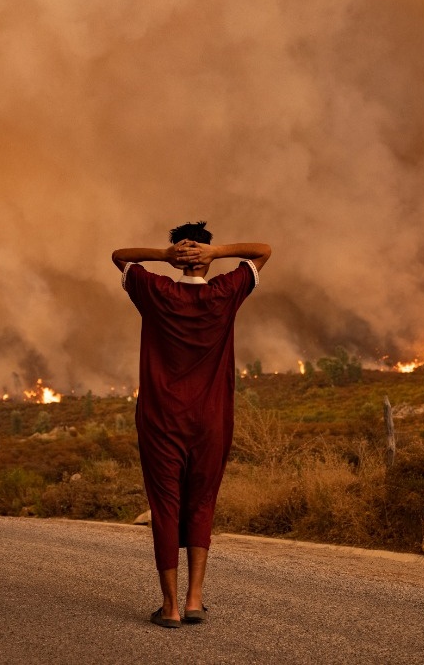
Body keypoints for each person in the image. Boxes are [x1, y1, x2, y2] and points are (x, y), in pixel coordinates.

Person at [111, 222, 271, 629]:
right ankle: (195, 600)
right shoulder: (225, 292)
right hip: (211, 420)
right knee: (202, 503)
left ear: (179, 255)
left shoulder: (155, 291)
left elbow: (119, 257)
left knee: (165, 507)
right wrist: (217, 255)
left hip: (162, 419)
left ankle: (170, 608)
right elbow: (263, 250)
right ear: (205, 253)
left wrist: (163, 257)